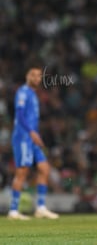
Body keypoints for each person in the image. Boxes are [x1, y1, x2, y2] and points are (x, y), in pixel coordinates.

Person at [8, 65, 59, 220]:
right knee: (22, 171)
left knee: (44, 168)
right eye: (33, 75)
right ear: (27, 77)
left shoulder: (33, 94)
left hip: (32, 138)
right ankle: (13, 210)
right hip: (23, 137)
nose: (37, 78)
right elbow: (20, 115)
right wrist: (31, 132)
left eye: (39, 76)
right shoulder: (23, 92)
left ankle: (41, 207)